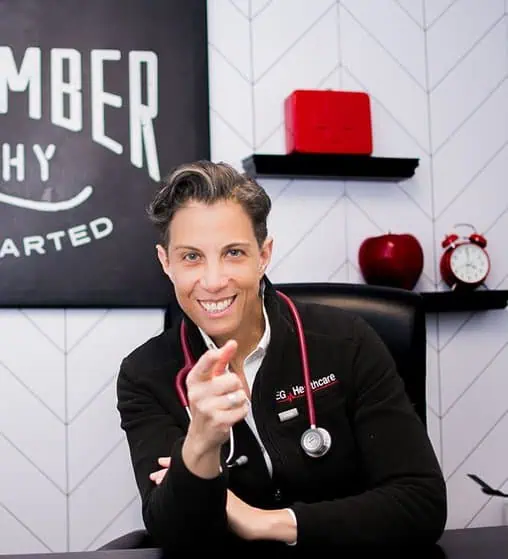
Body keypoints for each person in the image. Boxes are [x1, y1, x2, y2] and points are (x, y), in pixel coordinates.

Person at [116, 160, 447, 554]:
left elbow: (421, 503)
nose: (213, 280)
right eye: (191, 257)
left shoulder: (347, 341)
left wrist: (265, 522)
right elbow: (177, 535)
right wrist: (201, 441)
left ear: (264, 254)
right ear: (165, 262)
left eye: (234, 253)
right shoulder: (144, 375)